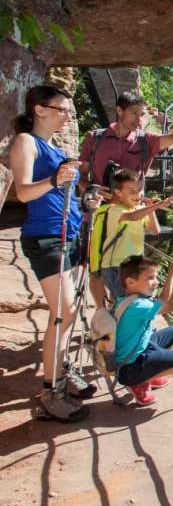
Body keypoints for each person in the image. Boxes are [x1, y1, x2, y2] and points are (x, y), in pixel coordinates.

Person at [78, 91, 173, 307]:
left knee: (128, 270)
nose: (140, 119)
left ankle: (122, 317)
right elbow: (82, 175)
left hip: (131, 216)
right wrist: (93, 189)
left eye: (143, 114)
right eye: (134, 113)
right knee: (96, 269)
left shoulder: (146, 142)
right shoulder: (95, 138)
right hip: (99, 214)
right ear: (119, 110)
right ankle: (102, 313)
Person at [9, 85, 96, 422]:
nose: (66, 116)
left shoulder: (54, 147)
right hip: (46, 237)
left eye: (67, 111)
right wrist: (57, 179)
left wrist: (86, 200)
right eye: (61, 109)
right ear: (39, 109)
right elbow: (24, 192)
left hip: (68, 234)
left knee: (70, 312)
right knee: (64, 311)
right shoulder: (26, 143)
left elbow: (63, 194)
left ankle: (61, 371)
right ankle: (51, 391)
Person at [114, 255, 173, 406]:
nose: (155, 282)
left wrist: (171, 272)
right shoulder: (138, 306)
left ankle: (150, 372)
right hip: (130, 368)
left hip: (135, 351)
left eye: (156, 276)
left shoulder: (127, 298)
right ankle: (139, 382)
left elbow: (163, 299)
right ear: (130, 282)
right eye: (150, 278)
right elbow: (171, 306)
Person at [95, 169, 173, 300]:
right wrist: (157, 206)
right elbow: (132, 217)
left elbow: (155, 231)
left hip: (134, 266)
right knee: (125, 304)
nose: (137, 194)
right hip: (115, 266)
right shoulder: (114, 210)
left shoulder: (140, 209)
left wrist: (150, 207)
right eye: (132, 191)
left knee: (128, 304)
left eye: (139, 190)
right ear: (118, 193)